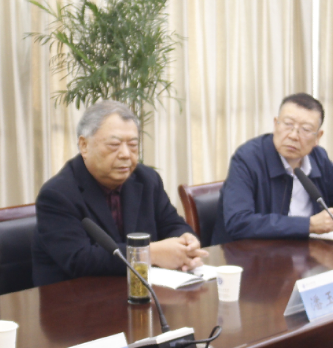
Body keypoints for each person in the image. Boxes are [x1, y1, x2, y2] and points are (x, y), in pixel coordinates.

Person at [32, 100, 206, 286]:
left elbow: (173, 224)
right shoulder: (57, 195)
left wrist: (186, 242)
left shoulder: (147, 180)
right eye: (114, 144)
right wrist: (148, 253)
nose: (125, 154)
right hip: (76, 297)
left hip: (140, 292)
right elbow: (80, 259)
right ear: (84, 145)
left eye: (133, 145)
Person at [212, 93, 333, 243]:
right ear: (276, 124)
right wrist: (309, 225)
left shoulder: (318, 158)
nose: (293, 136)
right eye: (288, 124)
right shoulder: (248, 158)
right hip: (253, 252)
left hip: (308, 249)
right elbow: (239, 222)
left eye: (305, 129)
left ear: (318, 137)